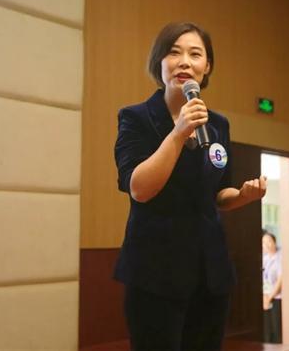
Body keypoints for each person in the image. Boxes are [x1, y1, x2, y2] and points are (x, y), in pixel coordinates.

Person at [114, 22, 267, 351]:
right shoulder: (136, 118)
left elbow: (218, 192)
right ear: (159, 61)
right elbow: (139, 188)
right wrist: (178, 132)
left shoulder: (217, 124)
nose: (184, 61)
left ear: (206, 66)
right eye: (174, 52)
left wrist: (243, 195)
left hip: (210, 272)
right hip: (155, 272)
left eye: (195, 54)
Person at [262, 230, 282, 343]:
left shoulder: (280, 257)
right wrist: (264, 296)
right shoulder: (264, 258)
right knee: (266, 331)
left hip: (277, 297)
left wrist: (269, 297)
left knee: (276, 330)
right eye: (264, 242)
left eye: (269, 241)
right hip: (265, 297)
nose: (267, 244)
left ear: (274, 242)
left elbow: (281, 280)